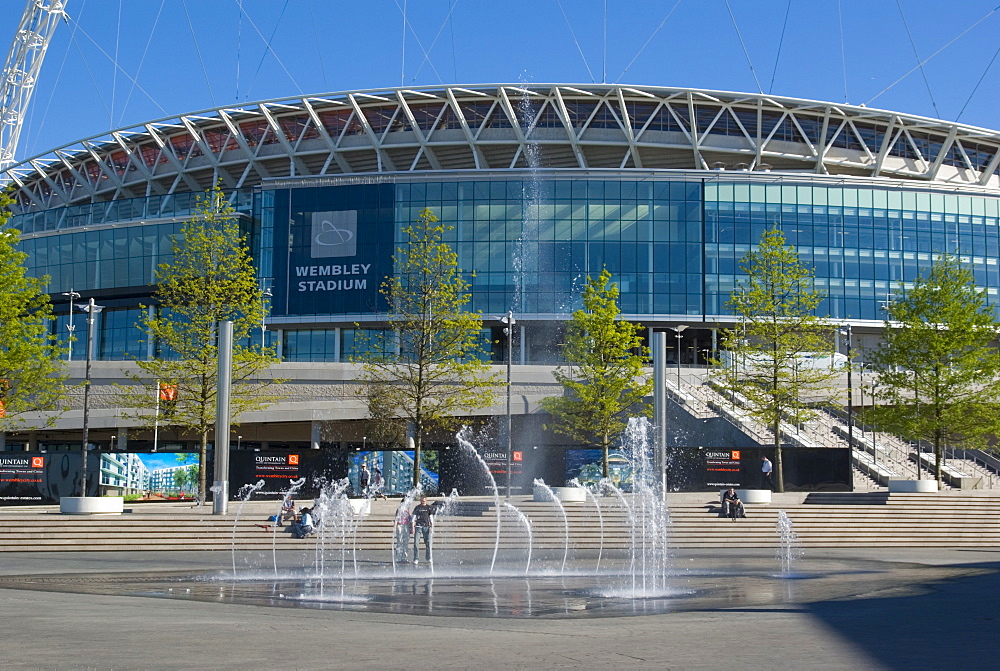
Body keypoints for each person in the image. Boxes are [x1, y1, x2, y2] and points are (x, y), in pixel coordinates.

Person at [411, 496, 434, 564]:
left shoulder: (429, 508)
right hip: (418, 527)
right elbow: (413, 518)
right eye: (422, 501)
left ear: (426, 501)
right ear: (420, 500)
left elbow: (431, 518)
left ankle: (428, 558)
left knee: (428, 543)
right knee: (416, 543)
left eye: (424, 501)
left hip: (426, 527)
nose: (423, 502)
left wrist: (432, 527)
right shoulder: (417, 507)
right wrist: (412, 527)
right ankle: (416, 558)